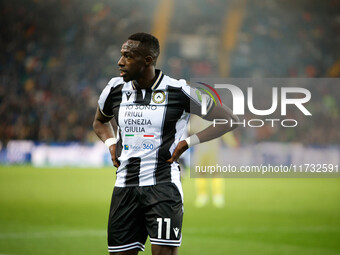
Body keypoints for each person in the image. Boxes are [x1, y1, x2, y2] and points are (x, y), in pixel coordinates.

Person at [93, 32, 238, 255]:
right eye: (121, 55)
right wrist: (111, 142)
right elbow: (100, 122)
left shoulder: (179, 91)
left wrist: (188, 142)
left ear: (148, 60)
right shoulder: (114, 89)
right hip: (124, 188)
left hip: (163, 188)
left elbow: (229, 119)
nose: (120, 62)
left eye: (128, 56)